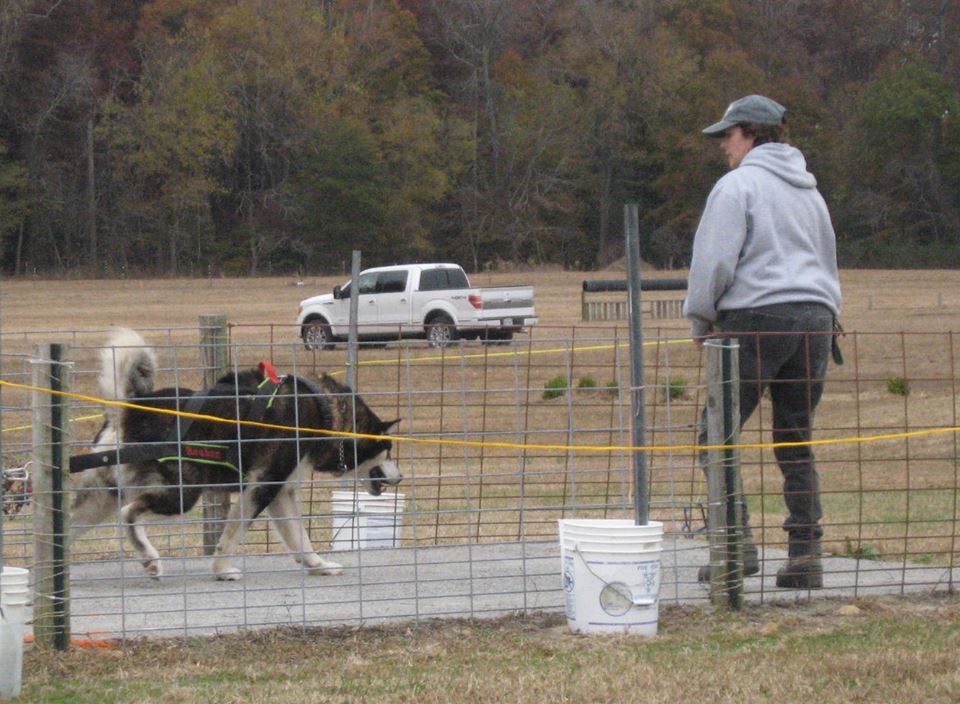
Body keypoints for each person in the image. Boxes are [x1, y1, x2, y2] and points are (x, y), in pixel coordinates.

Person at [683, 94, 842, 590]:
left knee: (717, 435)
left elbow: (714, 264)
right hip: (816, 320)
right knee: (796, 438)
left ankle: (735, 548)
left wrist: (700, 322)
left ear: (750, 134)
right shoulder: (810, 193)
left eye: (727, 137)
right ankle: (805, 555)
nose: (723, 148)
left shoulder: (737, 187)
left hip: (754, 318)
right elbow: (827, 260)